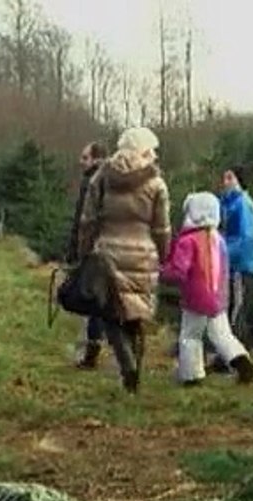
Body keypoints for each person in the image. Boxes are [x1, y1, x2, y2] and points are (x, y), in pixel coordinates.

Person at [75, 126, 171, 394]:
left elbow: (88, 219)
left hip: (108, 253)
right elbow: (162, 227)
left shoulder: (102, 177)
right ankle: (135, 373)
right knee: (136, 316)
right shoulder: (156, 183)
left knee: (111, 314)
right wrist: (163, 254)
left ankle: (125, 363)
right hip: (143, 255)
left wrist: (84, 252)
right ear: (143, 149)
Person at [160, 192, 253, 386]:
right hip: (218, 297)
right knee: (222, 334)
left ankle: (192, 375)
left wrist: (161, 272)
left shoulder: (188, 241)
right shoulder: (218, 240)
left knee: (190, 335)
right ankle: (242, 362)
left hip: (195, 298)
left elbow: (179, 271)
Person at [216, 165, 253, 368]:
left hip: (242, 266)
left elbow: (247, 238)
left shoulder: (242, 205)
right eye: (224, 177)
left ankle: (231, 357)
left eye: (229, 177)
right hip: (239, 267)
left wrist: (222, 254)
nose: (225, 182)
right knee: (251, 310)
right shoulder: (229, 204)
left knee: (237, 311)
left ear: (239, 181)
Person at [66, 141, 107, 369]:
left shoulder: (93, 182)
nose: (81, 162)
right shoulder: (107, 180)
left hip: (94, 250)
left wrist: (77, 249)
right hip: (103, 249)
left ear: (96, 159)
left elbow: (84, 221)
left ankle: (91, 353)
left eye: (84, 157)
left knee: (92, 301)